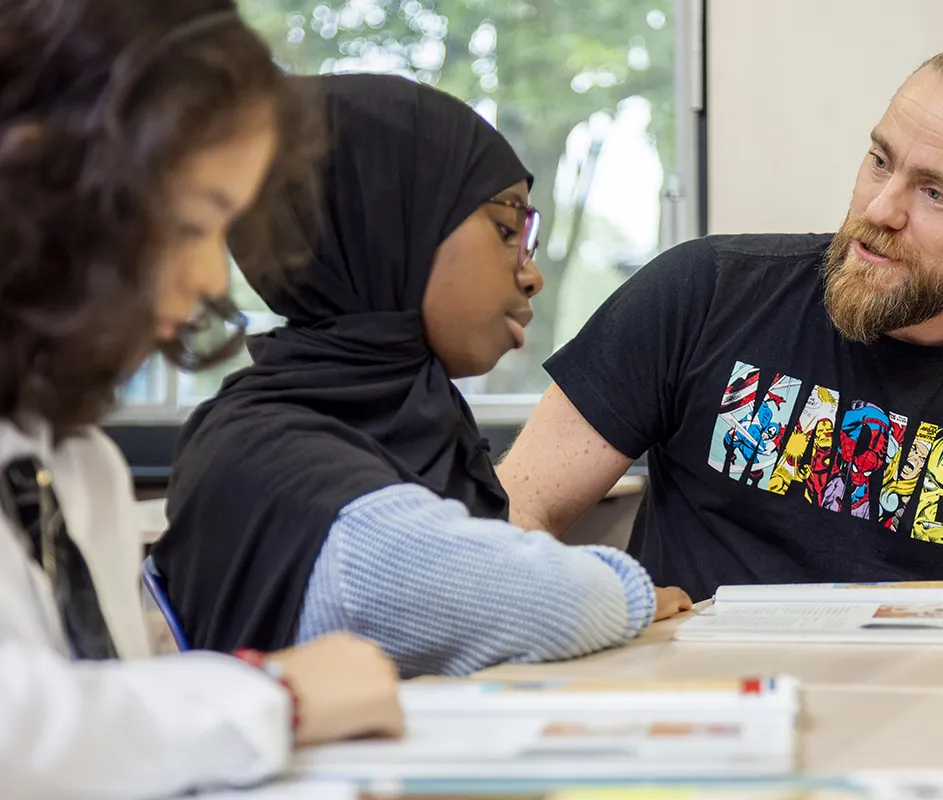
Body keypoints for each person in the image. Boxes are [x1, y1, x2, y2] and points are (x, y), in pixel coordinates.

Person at [497, 40, 943, 604]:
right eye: (879, 161)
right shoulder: (703, 293)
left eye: (935, 192)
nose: (880, 209)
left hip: (914, 738)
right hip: (698, 718)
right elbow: (512, 517)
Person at [153, 72, 691, 679]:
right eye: (507, 231)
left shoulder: (408, 414)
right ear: (393, 226)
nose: (531, 274)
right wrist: (627, 590)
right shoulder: (265, 446)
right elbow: (555, 605)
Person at [0, 2, 404, 797]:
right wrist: (274, 698)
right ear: (44, 187)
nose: (214, 282)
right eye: (190, 224)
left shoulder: (80, 470)